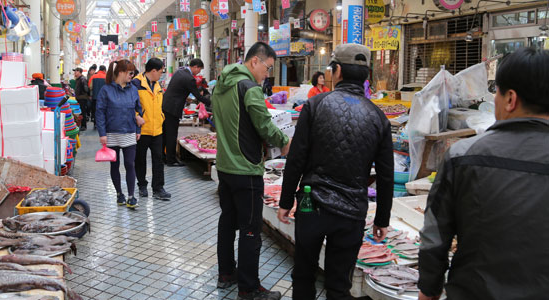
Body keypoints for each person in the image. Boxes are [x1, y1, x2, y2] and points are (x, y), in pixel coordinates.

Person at [418, 48, 549, 300]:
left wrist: (429, 289)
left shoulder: (464, 155)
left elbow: (435, 235)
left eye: (495, 92)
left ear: (510, 99)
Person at [277, 44, 394, 300]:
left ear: (337, 71)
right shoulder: (378, 118)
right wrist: (382, 219)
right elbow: (386, 175)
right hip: (352, 212)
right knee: (339, 285)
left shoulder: (315, 105)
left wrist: (286, 201)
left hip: (311, 204)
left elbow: (296, 158)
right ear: (366, 75)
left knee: (304, 274)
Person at [213, 42, 291, 300]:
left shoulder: (220, 85)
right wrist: (285, 142)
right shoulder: (249, 87)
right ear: (254, 61)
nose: (267, 74)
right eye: (267, 68)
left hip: (224, 166)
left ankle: (226, 273)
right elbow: (265, 126)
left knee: (227, 222)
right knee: (249, 230)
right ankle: (249, 289)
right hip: (246, 169)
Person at [95, 59, 145, 209]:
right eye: (130, 73)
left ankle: (131, 196)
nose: (132, 76)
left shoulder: (133, 90)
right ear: (121, 72)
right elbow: (100, 112)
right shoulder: (106, 90)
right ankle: (119, 194)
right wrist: (102, 133)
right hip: (111, 133)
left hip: (129, 131)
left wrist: (138, 130)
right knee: (114, 165)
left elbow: (138, 111)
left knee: (130, 164)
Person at [132, 58, 171, 201]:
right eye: (160, 72)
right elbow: (130, 105)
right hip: (142, 130)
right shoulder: (136, 84)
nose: (161, 75)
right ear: (153, 71)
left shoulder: (157, 85)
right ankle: (142, 185)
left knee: (158, 159)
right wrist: (137, 116)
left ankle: (158, 188)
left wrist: (161, 117)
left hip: (157, 129)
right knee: (140, 159)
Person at [162, 58, 211, 167]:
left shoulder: (179, 72)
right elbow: (198, 96)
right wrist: (211, 102)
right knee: (171, 134)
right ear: (195, 67)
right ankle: (171, 160)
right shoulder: (189, 78)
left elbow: (179, 90)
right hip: (173, 108)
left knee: (166, 133)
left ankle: (163, 157)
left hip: (166, 106)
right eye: (199, 70)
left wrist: (188, 99)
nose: (199, 72)